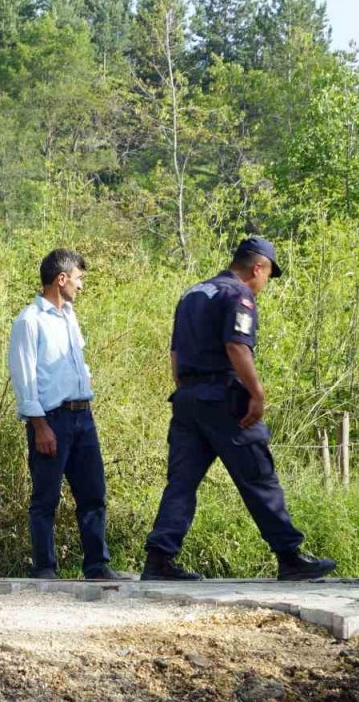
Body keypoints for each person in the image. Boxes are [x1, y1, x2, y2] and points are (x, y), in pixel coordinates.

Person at [142, 237, 336, 582]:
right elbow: (236, 347)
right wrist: (257, 394)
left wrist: (187, 391)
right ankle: (290, 557)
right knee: (259, 476)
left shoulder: (193, 294)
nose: (264, 286)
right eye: (266, 277)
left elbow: (175, 354)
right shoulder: (238, 295)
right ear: (257, 267)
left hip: (187, 400)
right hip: (225, 400)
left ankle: (158, 560)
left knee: (181, 483)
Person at [7, 249, 128, 581]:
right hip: (51, 419)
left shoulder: (70, 316)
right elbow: (24, 377)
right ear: (61, 279)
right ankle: (44, 568)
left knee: (92, 493)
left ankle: (96, 565)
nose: (80, 285)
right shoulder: (29, 321)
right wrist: (40, 425)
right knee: (46, 496)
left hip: (82, 416)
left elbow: (78, 360)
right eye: (78, 278)